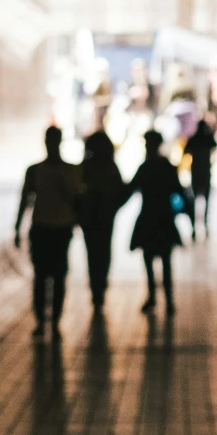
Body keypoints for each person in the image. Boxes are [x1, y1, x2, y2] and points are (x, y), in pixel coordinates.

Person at [15, 125, 85, 335]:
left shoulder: (37, 170)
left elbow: (25, 200)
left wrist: (18, 227)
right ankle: (50, 320)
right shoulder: (67, 170)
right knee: (54, 274)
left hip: (46, 228)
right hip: (57, 228)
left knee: (44, 275)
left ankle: (47, 320)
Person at [129, 129, 187, 314]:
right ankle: (169, 301)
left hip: (148, 218)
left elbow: (130, 189)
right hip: (164, 218)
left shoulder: (145, 167)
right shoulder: (167, 167)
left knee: (148, 259)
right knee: (166, 261)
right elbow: (180, 191)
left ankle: (153, 297)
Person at [75, 129, 130, 312]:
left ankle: (96, 289)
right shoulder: (111, 167)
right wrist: (112, 207)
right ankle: (100, 286)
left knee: (92, 253)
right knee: (104, 251)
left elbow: (75, 193)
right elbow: (122, 192)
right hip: (106, 217)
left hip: (89, 218)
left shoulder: (85, 167)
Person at [183, 119, 217, 238]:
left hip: (196, 173)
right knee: (206, 201)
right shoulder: (208, 138)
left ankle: (194, 227)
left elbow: (186, 151)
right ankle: (205, 225)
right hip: (206, 173)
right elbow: (215, 146)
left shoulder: (194, 139)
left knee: (194, 201)